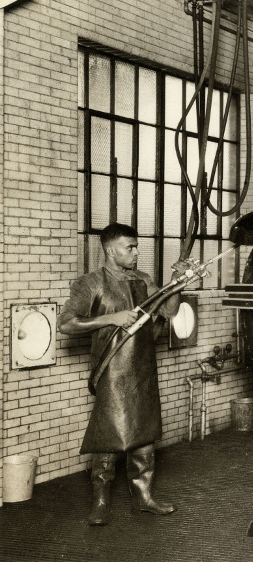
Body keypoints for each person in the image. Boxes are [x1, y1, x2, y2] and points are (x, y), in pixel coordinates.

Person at [59, 223, 188, 526]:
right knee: (108, 436)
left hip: (143, 369)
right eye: (129, 247)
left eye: (136, 246)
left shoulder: (142, 280)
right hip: (112, 372)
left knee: (144, 435)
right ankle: (101, 502)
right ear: (109, 250)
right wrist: (111, 318)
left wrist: (177, 284)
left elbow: (168, 312)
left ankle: (143, 498)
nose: (136, 252)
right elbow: (66, 323)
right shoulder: (91, 283)